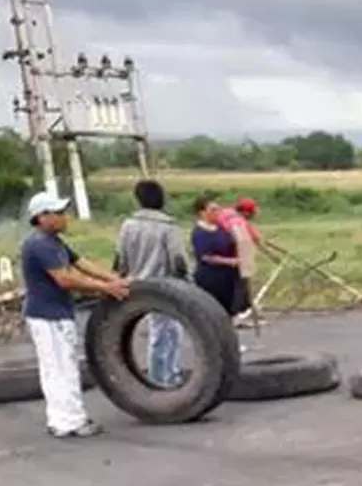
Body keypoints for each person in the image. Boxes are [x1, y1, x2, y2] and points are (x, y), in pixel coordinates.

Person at [20, 191, 129, 438]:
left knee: (64, 366)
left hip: (58, 313)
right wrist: (105, 288)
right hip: (47, 316)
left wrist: (114, 279)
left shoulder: (54, 241)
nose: (63, 217)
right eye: (57, 213)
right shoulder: (38, 244)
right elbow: (65, 278)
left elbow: (81, 263)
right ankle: (66, 421)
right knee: (58, 368)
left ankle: (69, 417)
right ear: (42, 217)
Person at [114, 179, 190, 386]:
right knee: (165, 333)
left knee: (167, 332)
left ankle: (168, 373)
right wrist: (187, 285)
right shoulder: (168, 226)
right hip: (162, 286)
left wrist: (118, 280)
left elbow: (120, 257)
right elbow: (178, 260)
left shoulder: (127, 225)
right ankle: (161, 378)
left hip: (135, 283)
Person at [191, 194, 242, 315]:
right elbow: (205, 256)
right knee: (212, 313)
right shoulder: (200, 232)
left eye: (218, 209)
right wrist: (229, 261)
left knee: (228, 312)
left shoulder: (220, 227)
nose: (217, 213)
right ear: (202, 213)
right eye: (213, 210)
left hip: (228, 277)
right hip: (211, 278)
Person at [215, 196, 260, 322]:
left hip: (220, 252)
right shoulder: (238, 221)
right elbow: (254, 236)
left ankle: (245, 307)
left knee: (234, 283)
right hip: (234, 253)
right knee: (241, 282)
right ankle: (237, 312)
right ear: (246, 212)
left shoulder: (225, 213)